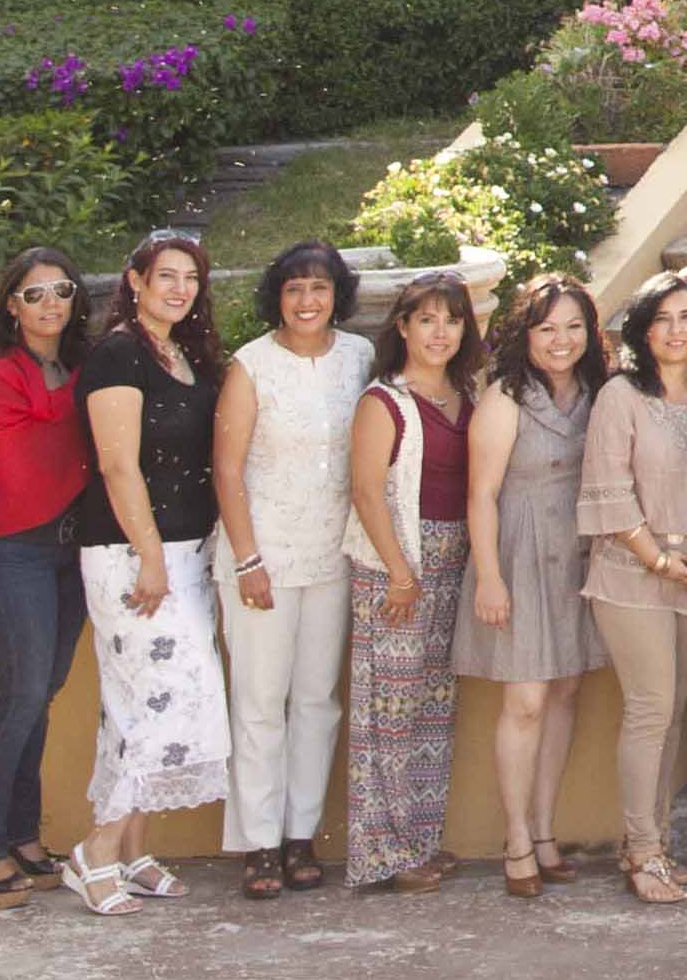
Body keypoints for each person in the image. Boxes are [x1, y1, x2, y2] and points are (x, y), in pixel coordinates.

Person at [210, 243, 370, 898]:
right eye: (295, 289)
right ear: (277, 296)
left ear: (338, 294)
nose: (308, 301)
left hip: (331, 556)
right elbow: (227, 468)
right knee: (258, 702)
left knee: (316, 701)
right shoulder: (251, 365)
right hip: (262, 558)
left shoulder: (358, 357)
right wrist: (248, 559)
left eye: (320, 288)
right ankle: (259, 843)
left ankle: (302, 836)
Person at [0, 247, 97, 917]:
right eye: (33, 294)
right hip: (16, 551)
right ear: (11, 304)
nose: (50, 305)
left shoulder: (78, 367)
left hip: (73, 552)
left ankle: (20, 833)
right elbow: (22, 472)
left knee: (43, 693)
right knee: (19, 695)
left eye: (60, 291)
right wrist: (74, 416)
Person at [579, 276, 687, 902]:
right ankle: (643, 855)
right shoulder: (622, 395)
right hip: (633, 569)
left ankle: (654, 842)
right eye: (663, 318)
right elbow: (610, 490)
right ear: (644, 331)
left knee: (670, 713)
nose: (676, 329)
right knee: (650, 708)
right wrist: (658, 558)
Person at [460, 276, 613, 898]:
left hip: (577, 554)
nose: (561, 340)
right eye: (547, 327)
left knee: (565, 694)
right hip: (519, 553)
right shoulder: (505, 397)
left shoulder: (598, 392)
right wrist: (490, 576)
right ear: (525, 334)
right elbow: (482, 494)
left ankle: (547, 831)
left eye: (574, 326)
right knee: (524, 701)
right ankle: (517, 836)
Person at [336, 273, 480, 892]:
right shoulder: (385, 401)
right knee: (387, 713)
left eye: (451, 320)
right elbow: (367, 491)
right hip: (397, 567)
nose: (439, 332)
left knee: (432, 709)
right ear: (402, 328)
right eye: (426, 320)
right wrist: (399, 570)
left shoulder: (468, 394)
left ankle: (420, 839)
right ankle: (383, 853)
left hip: (454, 562)